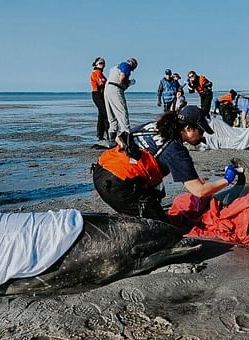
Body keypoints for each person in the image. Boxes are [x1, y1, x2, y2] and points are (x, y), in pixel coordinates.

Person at [92, 105, 237, 221]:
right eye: (201, 131)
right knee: (164, 230)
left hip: (100, 171)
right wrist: (226, 180)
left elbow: (123, 137)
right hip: (118, 186)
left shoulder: (154, 126)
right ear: (188, 128)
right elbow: (199, 191)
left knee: (157, 192)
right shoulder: (176, 150)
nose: (202, 135)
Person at [104, 57, 138, 140]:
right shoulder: (126, 66)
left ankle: (112, 136)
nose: (131, 71)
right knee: (122, 112)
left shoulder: (115, 67)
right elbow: (122, 78)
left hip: (107, 89)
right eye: (133, 68)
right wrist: (129, 82)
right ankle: (126, 134)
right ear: (132, 64)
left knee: (111, 114)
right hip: (115, 89)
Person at [90, 57, 109, 145]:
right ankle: (107, 134)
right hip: (97, 94)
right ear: (96, 64)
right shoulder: (96, 72)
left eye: (104, 63)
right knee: (105, 113)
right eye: (101, 63)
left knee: (101, 115)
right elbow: (101, 83)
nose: (103, 65)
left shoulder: (100, 73)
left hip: (100, 94)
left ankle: (101, 135)